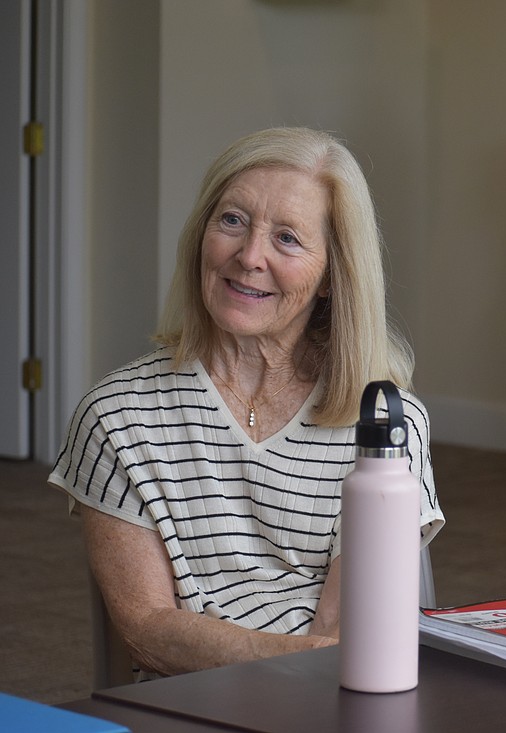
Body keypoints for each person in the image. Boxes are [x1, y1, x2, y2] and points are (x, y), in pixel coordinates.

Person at [48, 127, 444, 677]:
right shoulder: (117, 416)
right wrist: (292, 665)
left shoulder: (385, 424)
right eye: (232, 221)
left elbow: (347, 625)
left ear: (332, 275)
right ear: (201, 237)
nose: (250, 256)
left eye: (287, 238)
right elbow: (146, 630)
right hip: (190, 704)